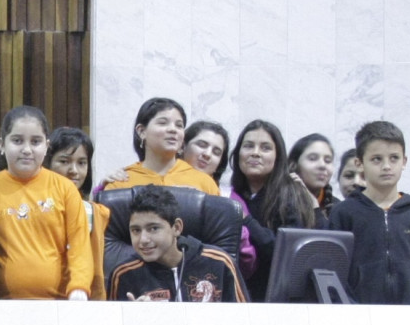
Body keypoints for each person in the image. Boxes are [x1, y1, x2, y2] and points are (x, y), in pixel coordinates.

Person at [0, 105, 93, 301]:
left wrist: (79, 287)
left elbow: (79, 244)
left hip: (59, 304)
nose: (26, 149)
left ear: (47, 146)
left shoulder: (65, 189)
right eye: (17, 140)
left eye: (35, 141)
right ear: (1, 144)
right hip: (1, 304)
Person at [329, 121, 410, 305]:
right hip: (357, 317)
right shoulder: (343, 213)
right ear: (360, 163)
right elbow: (335, 273)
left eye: (394, 158)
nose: (387, 166)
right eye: (377, 159)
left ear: (404, 162)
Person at [106, 186, 244, 303]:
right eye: (136, 230)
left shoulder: (219, 262)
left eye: (153, 228)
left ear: (177, 228)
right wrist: (136, 317)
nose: (143, 239)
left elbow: (246, 322)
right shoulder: (123, 274)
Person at [101, 97, 220, 196]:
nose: (173, 129)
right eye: (163, 123)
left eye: (179, 125)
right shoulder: (121, 182)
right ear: (142, 131)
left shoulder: (204, 183)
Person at [226, 120, 287, 301]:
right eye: (248, 146)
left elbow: (284, 253)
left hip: (276, 300)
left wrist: (246, 220)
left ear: (278, 156)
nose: (255, 153)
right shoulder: (231, 195)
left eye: (265, 148)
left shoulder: (290, 195)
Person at [47, 127, 109, 301]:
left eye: (82, 163)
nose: (74, 170)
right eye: (64, 161)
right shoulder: (38, 206)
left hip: (79, 298)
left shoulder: (95, 212)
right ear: (47, 163)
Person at [286, 133, 338, 212]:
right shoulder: (277, 201)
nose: (322, 165)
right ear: (293, 165)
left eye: (328, 161)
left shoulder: (338, 208)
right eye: (313, 159)